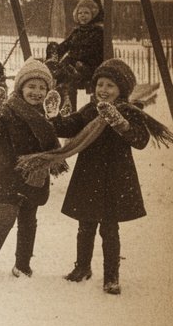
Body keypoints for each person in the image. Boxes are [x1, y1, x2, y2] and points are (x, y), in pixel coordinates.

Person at [49, 58, 171, 295]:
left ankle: (111, 276)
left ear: (121, 90)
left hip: (116, 177)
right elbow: (71, 126)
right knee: (85, 225)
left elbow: (141, 140)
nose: (103, 90)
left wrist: (122, 124)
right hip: (88, 175)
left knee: (109, 228)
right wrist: (54, 118)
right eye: (100, 85)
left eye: (110, 86)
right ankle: (82, 267)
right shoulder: (90, 109)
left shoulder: (128, 112)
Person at [0, 60, 60, 288]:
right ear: (21, 87)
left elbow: (53, 146)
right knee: (6, 218)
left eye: (42, 88)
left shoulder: (47, 115)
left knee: (29, 221)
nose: (37, 92)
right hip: (9, 174)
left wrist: (54, 123)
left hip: (35, 177)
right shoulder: (9, 110)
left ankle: (22, 264)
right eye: (31, 86)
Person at [47, 0, 105, 112]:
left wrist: (76, 60)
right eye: (80, 13)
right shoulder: (77, 31)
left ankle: (70, 110)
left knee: (69, 79)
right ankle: (53, 65)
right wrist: (54, 49)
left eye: (86, 13)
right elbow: (65, 46)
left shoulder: (98, 31)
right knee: (61, 77)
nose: (82, 16)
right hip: (73, 65)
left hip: (88, 66)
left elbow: (94, 52)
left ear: (93, 15)